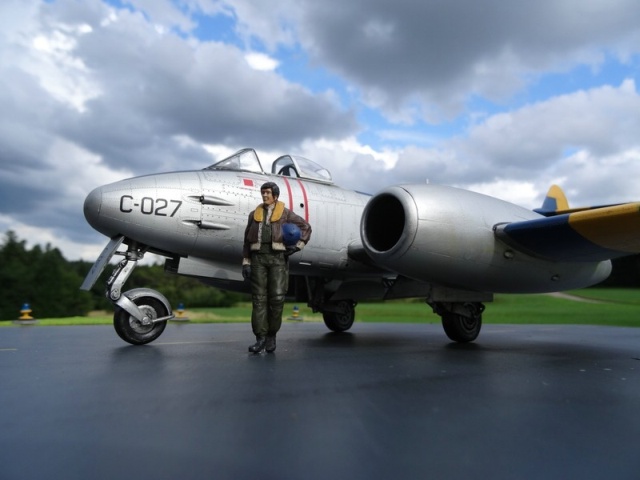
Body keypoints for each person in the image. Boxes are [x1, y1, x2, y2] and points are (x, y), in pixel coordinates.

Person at [242, 182, 312, 353]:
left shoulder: (285, 214)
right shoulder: (254, 215)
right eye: (262, 192)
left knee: (277, 299)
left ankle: (272, 336)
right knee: (258, 300)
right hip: (258, 259)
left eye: (267, 192)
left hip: (278, 259)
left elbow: (306, 227)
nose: (264, 195)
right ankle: (260, 338)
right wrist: (246, 262)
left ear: (275, 195)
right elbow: (246, 240)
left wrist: (298, 246)